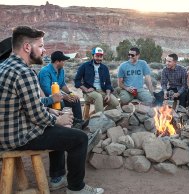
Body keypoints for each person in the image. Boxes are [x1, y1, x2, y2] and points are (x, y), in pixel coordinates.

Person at [0, 26, 104, 194]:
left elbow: (28, 103)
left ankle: (57, 177)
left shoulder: (6, 66)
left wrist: (52, 112)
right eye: (40, 46)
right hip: (16, 137)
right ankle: (76, 188)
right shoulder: (23, 72)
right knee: (79, 139)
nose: (44, 50)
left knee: (59, 130)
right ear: (27, 47)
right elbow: (36, 116)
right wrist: (58, 119)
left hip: (7, 131)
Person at [38, 51, 83, 129]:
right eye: (63, 61)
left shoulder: (61, 70)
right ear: (57, 61)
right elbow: (47, 91)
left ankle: (78, 123)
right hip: (47, 100)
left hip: (59, 97)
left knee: (75, 100)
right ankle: (62, 126)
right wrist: (64, 97)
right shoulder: (45, 72)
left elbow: (62, 84)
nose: (64, 62)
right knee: (60, 102)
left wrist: (70, 93)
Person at [75, 47, 119, 113]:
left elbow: (108, 84)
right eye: (97, 56)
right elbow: (77, 81)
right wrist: (85, 89)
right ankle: (100, 119)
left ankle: (97, 115)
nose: (99, 58)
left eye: (100, 56)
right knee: (98, 97)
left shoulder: (105, 68)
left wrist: (108, 94)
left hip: (102, 90)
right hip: (89, 92)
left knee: (115, 103)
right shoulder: (84, 66)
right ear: (93, 56)